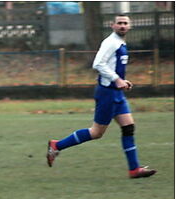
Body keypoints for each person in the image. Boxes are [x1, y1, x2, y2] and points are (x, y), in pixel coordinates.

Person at [46, 14, 156, 179]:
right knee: (96, 132)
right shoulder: (110, 42)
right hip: (107, 94)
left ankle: (134, 169)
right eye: (119, 23)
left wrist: (122, 81)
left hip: (116, 93)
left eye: (125, 23)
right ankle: (56, 146)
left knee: (128, 127)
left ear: (130, 26)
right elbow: (98, 63)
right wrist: (117, 80)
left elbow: (111, 66)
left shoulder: (120, 43)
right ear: (112, 25)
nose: (122, 26)